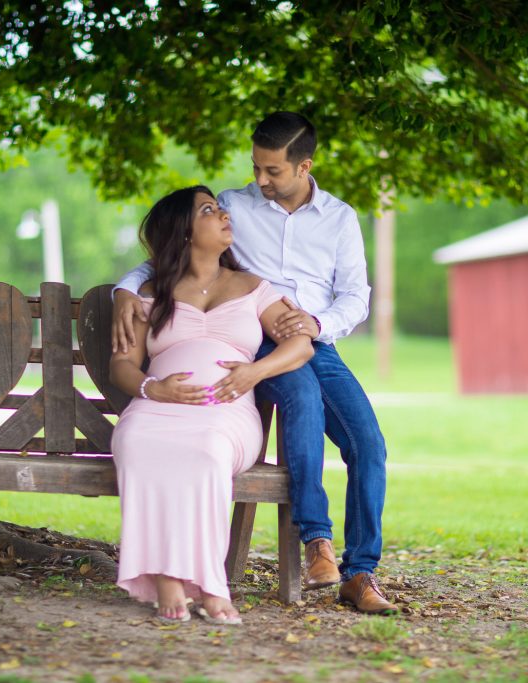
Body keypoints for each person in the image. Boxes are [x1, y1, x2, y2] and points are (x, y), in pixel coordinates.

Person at [113, 112, 397, 614]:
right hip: (255, 339)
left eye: (273, 171)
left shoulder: (339, 218)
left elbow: (356, 296)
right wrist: (124, 290)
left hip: (313, 338)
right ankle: (317, 541)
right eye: (256, 168)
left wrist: (315, 324)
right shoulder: (233, 207)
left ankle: (359, 573)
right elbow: (170, 251)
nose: (260, 180)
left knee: (369, 444)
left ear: (303, 166)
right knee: (302, 398)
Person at [109, 185, 313, 625]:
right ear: (184, 232)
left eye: (219, 207)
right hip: (155, 408)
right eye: (208, 210)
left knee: (205, 452)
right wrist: (151, 389)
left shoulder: (253, 286)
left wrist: (253, 373)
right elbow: (122, 364)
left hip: (225, 412)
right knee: (138, 441)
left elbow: (300, 345)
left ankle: (211, 583)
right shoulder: (152, 292)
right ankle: (167, 578)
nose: (223, 213)